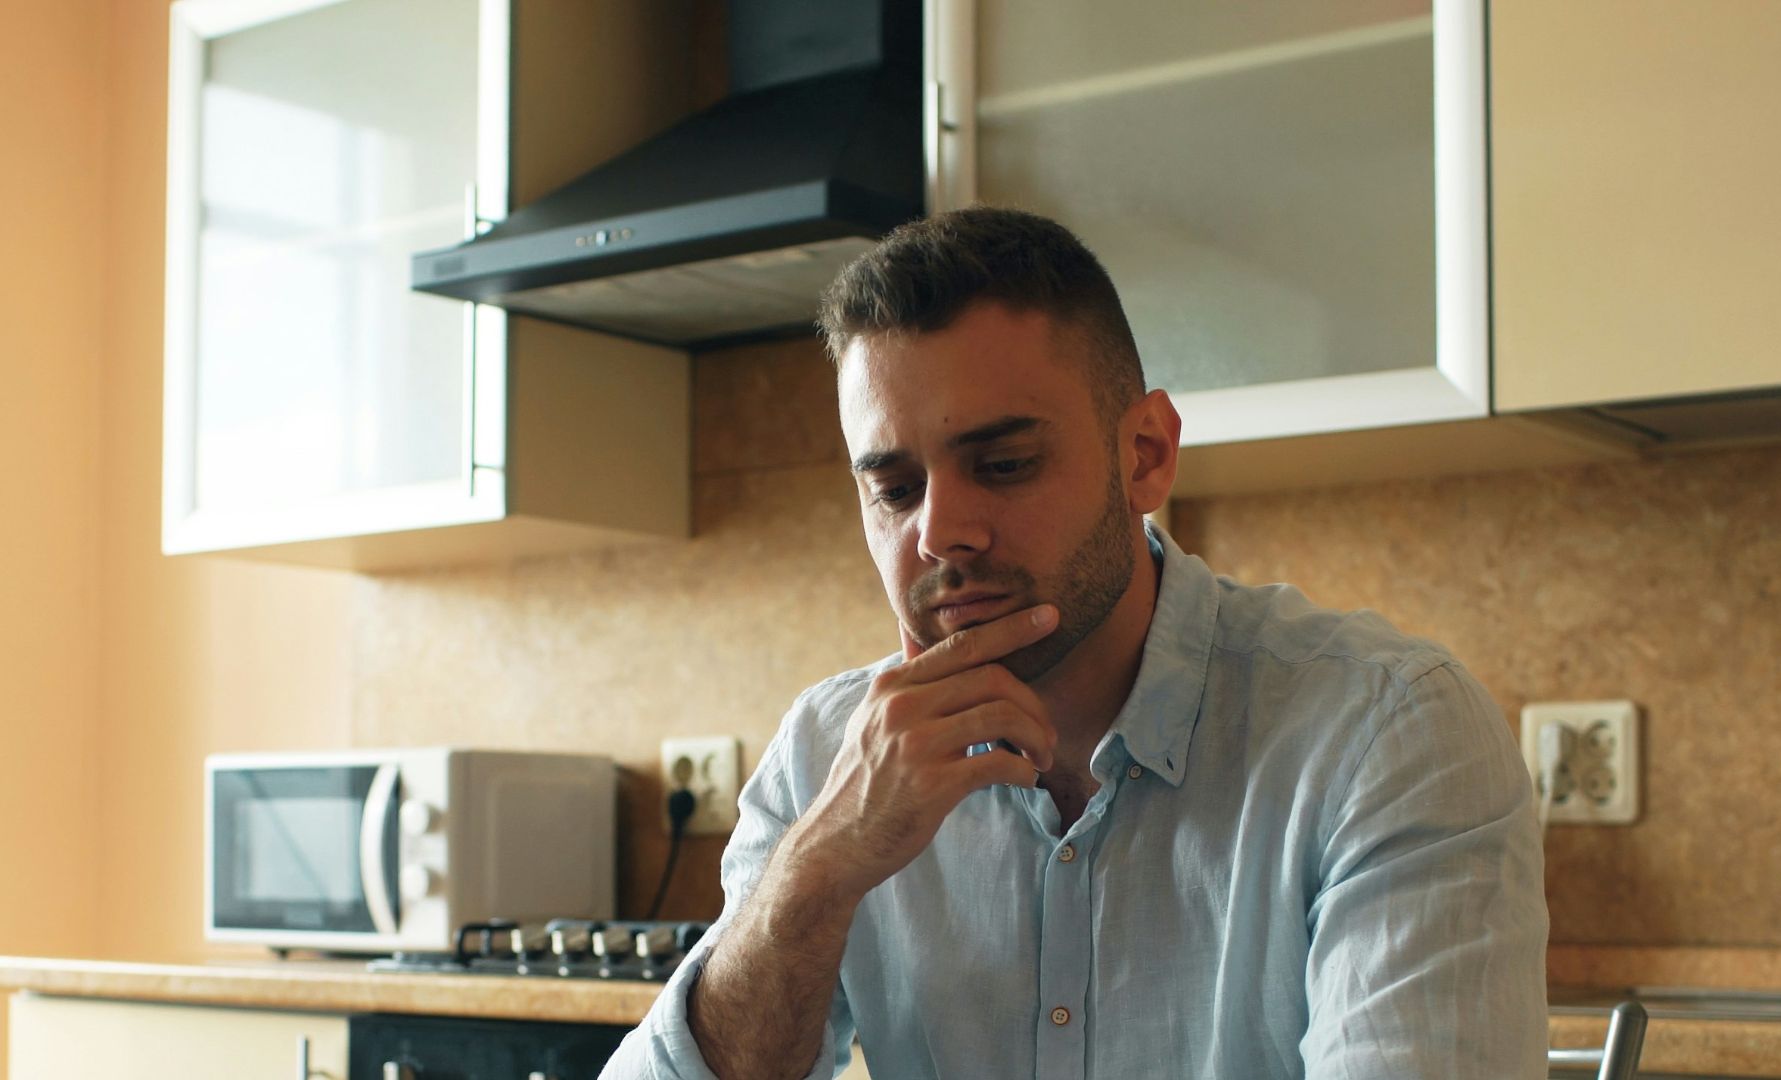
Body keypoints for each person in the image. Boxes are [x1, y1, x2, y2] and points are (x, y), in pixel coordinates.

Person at [602, 207, 1548, 1080]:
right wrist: (816, 871)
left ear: (1145, 456)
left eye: (1004, 465)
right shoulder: (828, 756)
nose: (940, 533)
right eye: (894, 490)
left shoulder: (1387, 733)